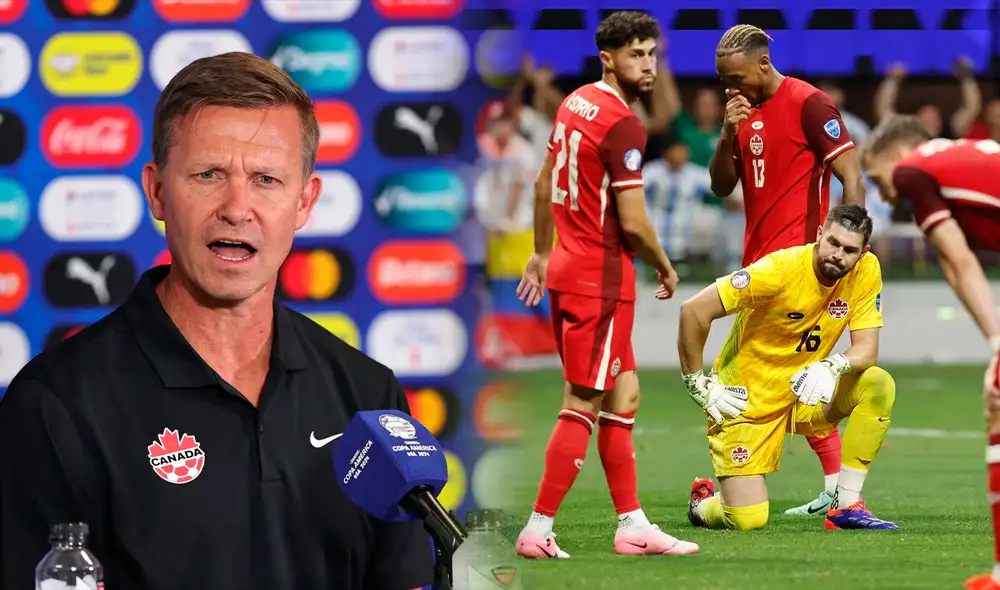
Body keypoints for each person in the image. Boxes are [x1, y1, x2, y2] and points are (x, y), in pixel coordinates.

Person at [0, 52, 433, 590]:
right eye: (208, 174)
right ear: (158, 191)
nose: (237, 207)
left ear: (305, 201)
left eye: (267, 180)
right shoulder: (57, 403)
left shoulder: (367, 394)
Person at [513, 11, 697, 558]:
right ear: (608, 58)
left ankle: (633, 524)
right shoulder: (623, 125)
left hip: (570, 270)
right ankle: (538, 528)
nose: (648, 65)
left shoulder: (575, 103)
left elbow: (546, 182)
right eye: (637, 54)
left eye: (652, 54)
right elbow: (635, 222)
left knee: (625, 393)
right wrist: (664, 265)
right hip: (600, 281)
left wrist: (542, 252)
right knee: (582, 402)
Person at [709, 24, 869, 516]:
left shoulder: (809, 103)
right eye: (722, 81)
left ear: (762, 63)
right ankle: (827, 490)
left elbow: (851, 174)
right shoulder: (742, 113)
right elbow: (721, 186)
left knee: (781, 375)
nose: (730, 88)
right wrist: (727, 133)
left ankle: (740, 480)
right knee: (794, 376)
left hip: (805, 267)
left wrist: (849, 249)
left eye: (736, 77)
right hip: (758, 269)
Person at [679, 204, 898, 531]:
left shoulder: (866, 270)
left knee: (876, 383)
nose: (838, 255)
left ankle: (845, 505)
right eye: (833, 243)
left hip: (805, 393)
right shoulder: (778, 270)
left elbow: (867, 349)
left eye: (850, 250)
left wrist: (832, 366)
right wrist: (697, 382)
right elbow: (693, 310)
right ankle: (702, 505)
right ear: (819, 234)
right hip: (746, 399)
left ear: (863, 252)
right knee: (747, 519)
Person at [859, 115, 1000, 589]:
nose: (883, 194)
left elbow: (960, 263)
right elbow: (954, 266)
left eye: (877, 178)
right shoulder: (960, 160)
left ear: (898, 156)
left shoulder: (913, 172)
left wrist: (997, 344)